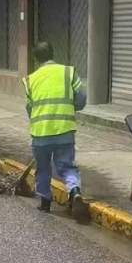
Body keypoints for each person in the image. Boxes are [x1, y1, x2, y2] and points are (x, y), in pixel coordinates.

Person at [24, 41, 87, 218]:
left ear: (36, 59)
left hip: (40, 133)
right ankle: (74, 191)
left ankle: (45, 201)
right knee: (67, 166)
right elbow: (81, 98)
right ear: (53, 53)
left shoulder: (30, 79)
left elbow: (29, 108)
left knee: (43, 167)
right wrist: (71, 107)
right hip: (64, 130)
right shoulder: (68, 72)